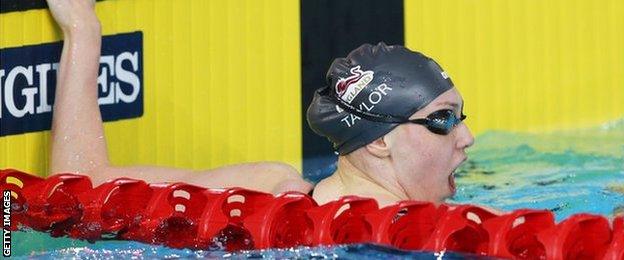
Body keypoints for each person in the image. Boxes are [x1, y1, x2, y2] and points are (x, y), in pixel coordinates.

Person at [45, 0, 312, 194]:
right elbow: (84, 187)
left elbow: (77, 192)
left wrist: (82, 28)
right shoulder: (273, 186)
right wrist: (82, 26)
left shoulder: (274, 196)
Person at [307, 43, 475, 207]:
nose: (468, 138)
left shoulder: (294, 201)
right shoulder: (427, 230)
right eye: (443, 119)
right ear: (379, 140)